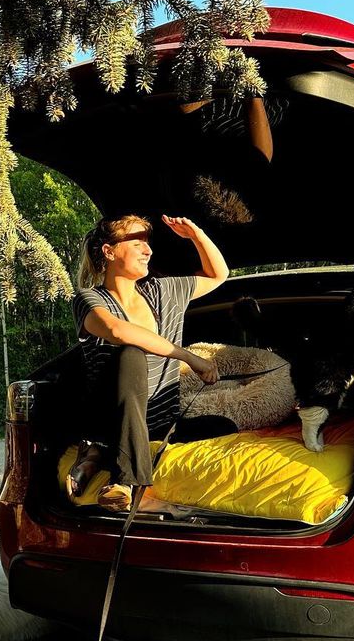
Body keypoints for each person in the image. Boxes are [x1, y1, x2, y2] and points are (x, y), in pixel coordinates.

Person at [68, 213, 231, 511]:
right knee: (131, 354)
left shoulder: (161, 292)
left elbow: (219, 275)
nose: (148, 250)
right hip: (113, 422)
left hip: (160, 422)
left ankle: (96, 454)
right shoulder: (89, 298)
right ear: (109, 250)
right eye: (138, 241)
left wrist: (196, 234)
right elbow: (118, 330)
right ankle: (126, 481)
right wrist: (188, 357)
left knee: (224, 427)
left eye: (148, 242)